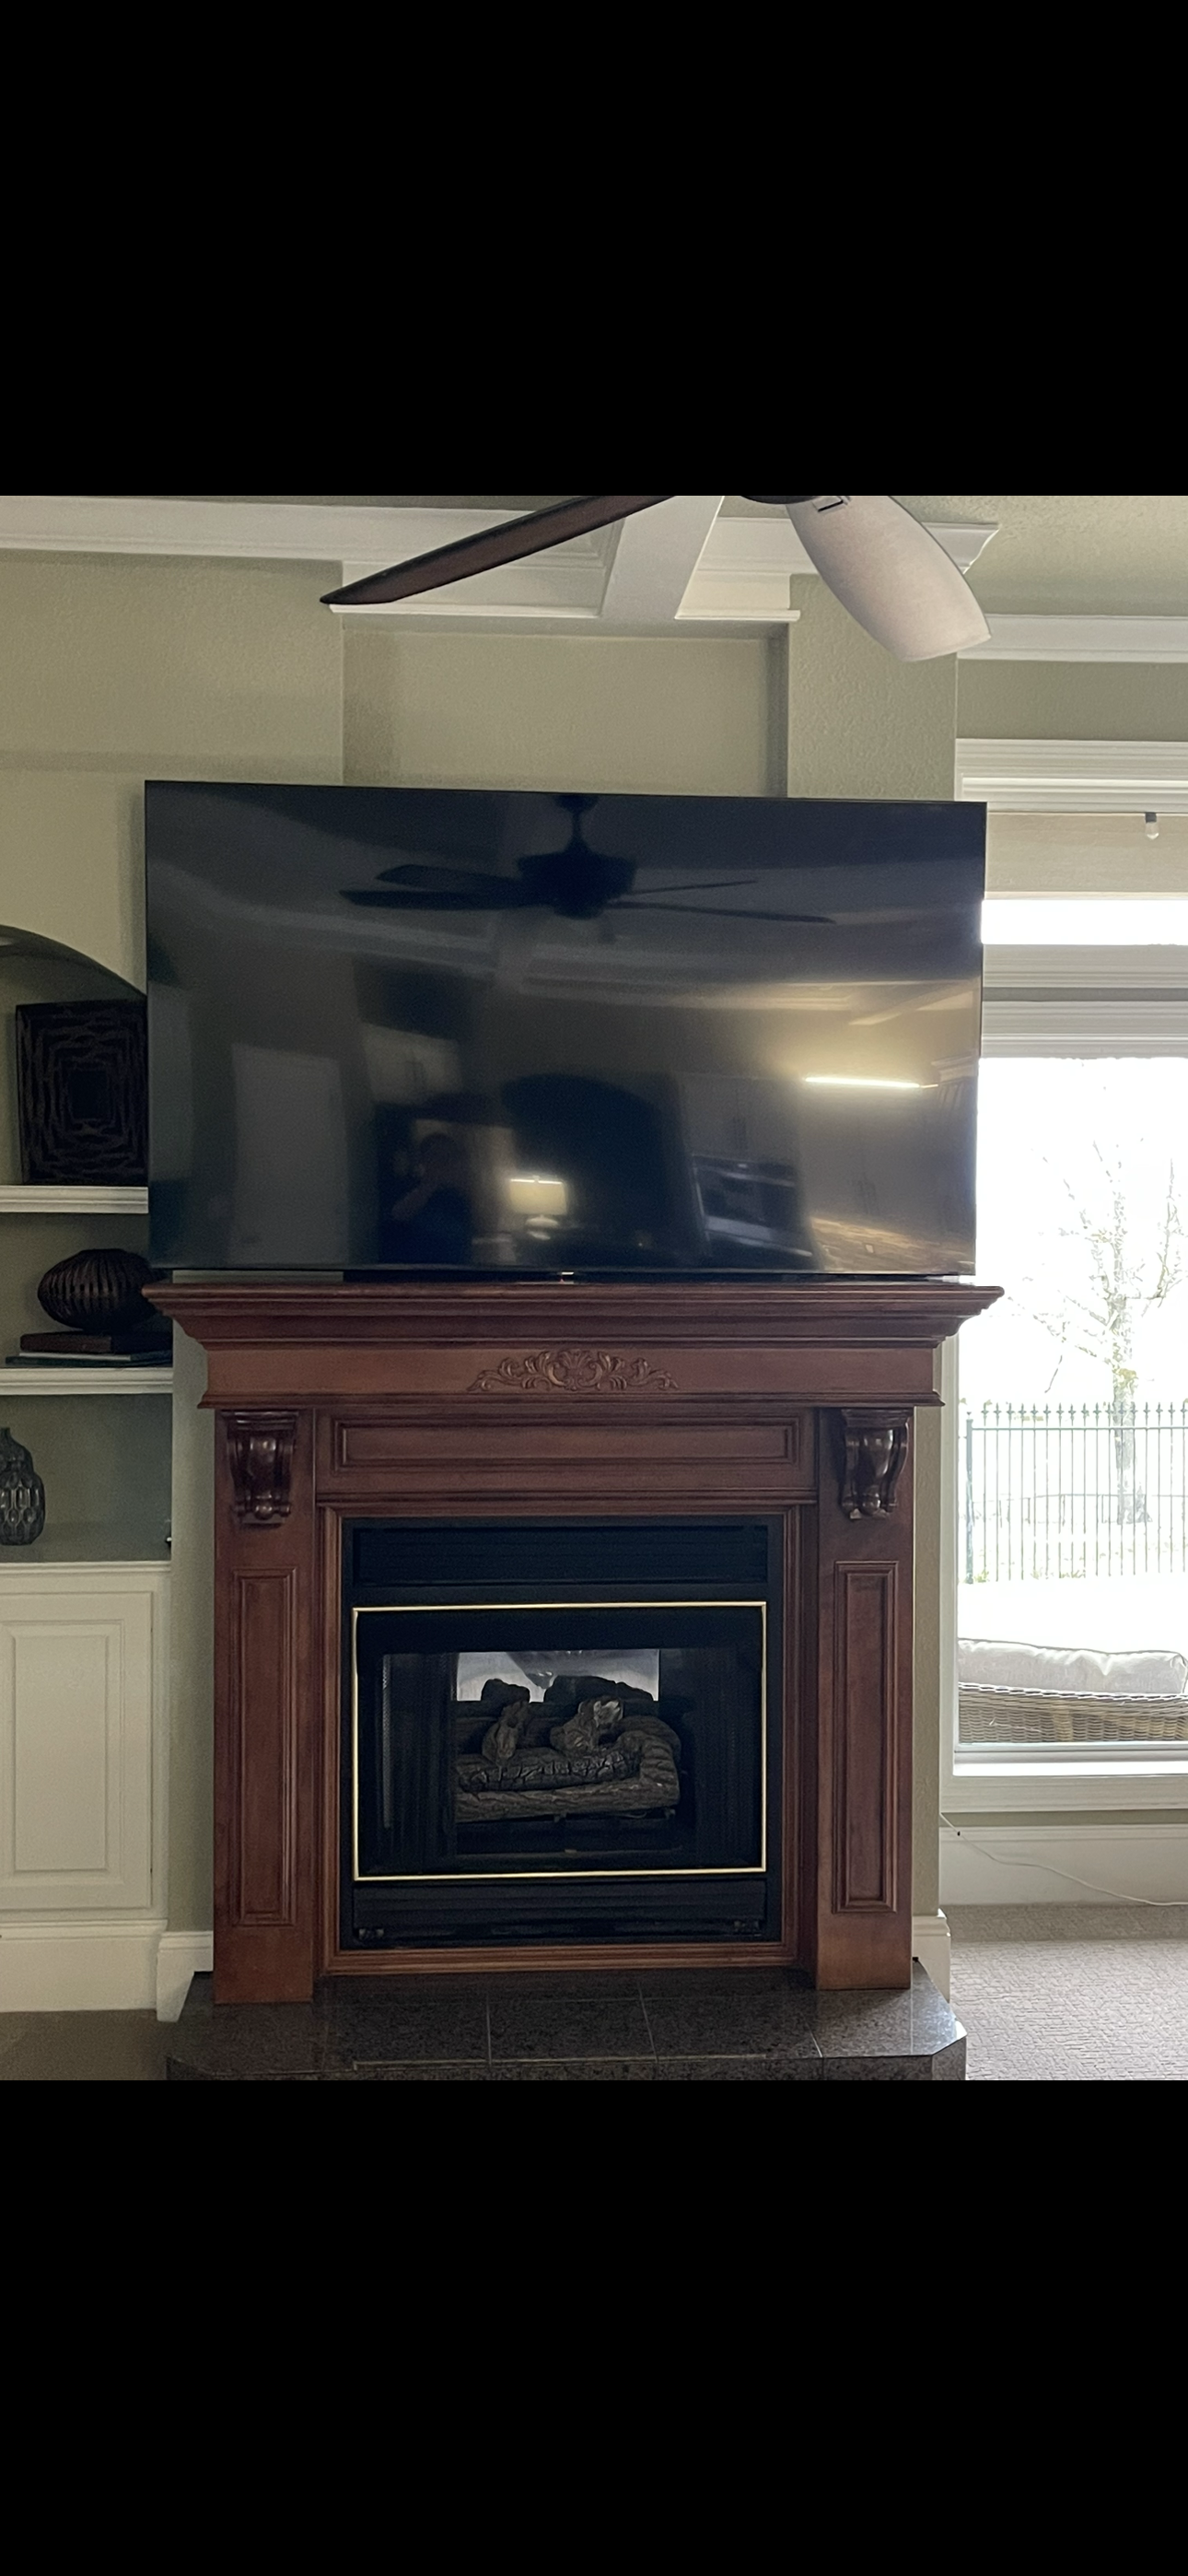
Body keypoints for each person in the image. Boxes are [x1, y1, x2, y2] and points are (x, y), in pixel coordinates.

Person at [385, 1131, 472, 1265]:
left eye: (448, 1157)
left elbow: (465, 1243)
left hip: (452, 1272)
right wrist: (430, 1183)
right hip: (412, 1272)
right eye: (436, 1156)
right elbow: (398, 1216)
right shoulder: (405, 1188)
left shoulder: (458, 1198)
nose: (443, 1162)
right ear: (422, 1159)